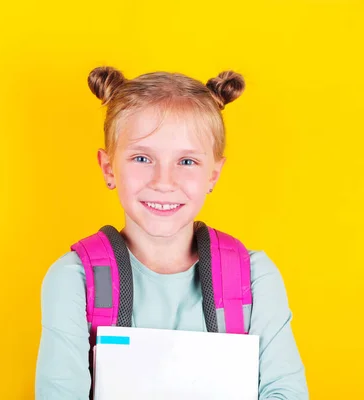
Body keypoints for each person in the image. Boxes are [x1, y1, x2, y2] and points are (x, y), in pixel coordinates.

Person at [35, 66, 308, 399]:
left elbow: (285, 391)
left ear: (213, 175)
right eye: (141, 158)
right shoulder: (73, 279)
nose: (163, 182)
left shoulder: (255, 277)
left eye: (187, 162)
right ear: (109, 168)